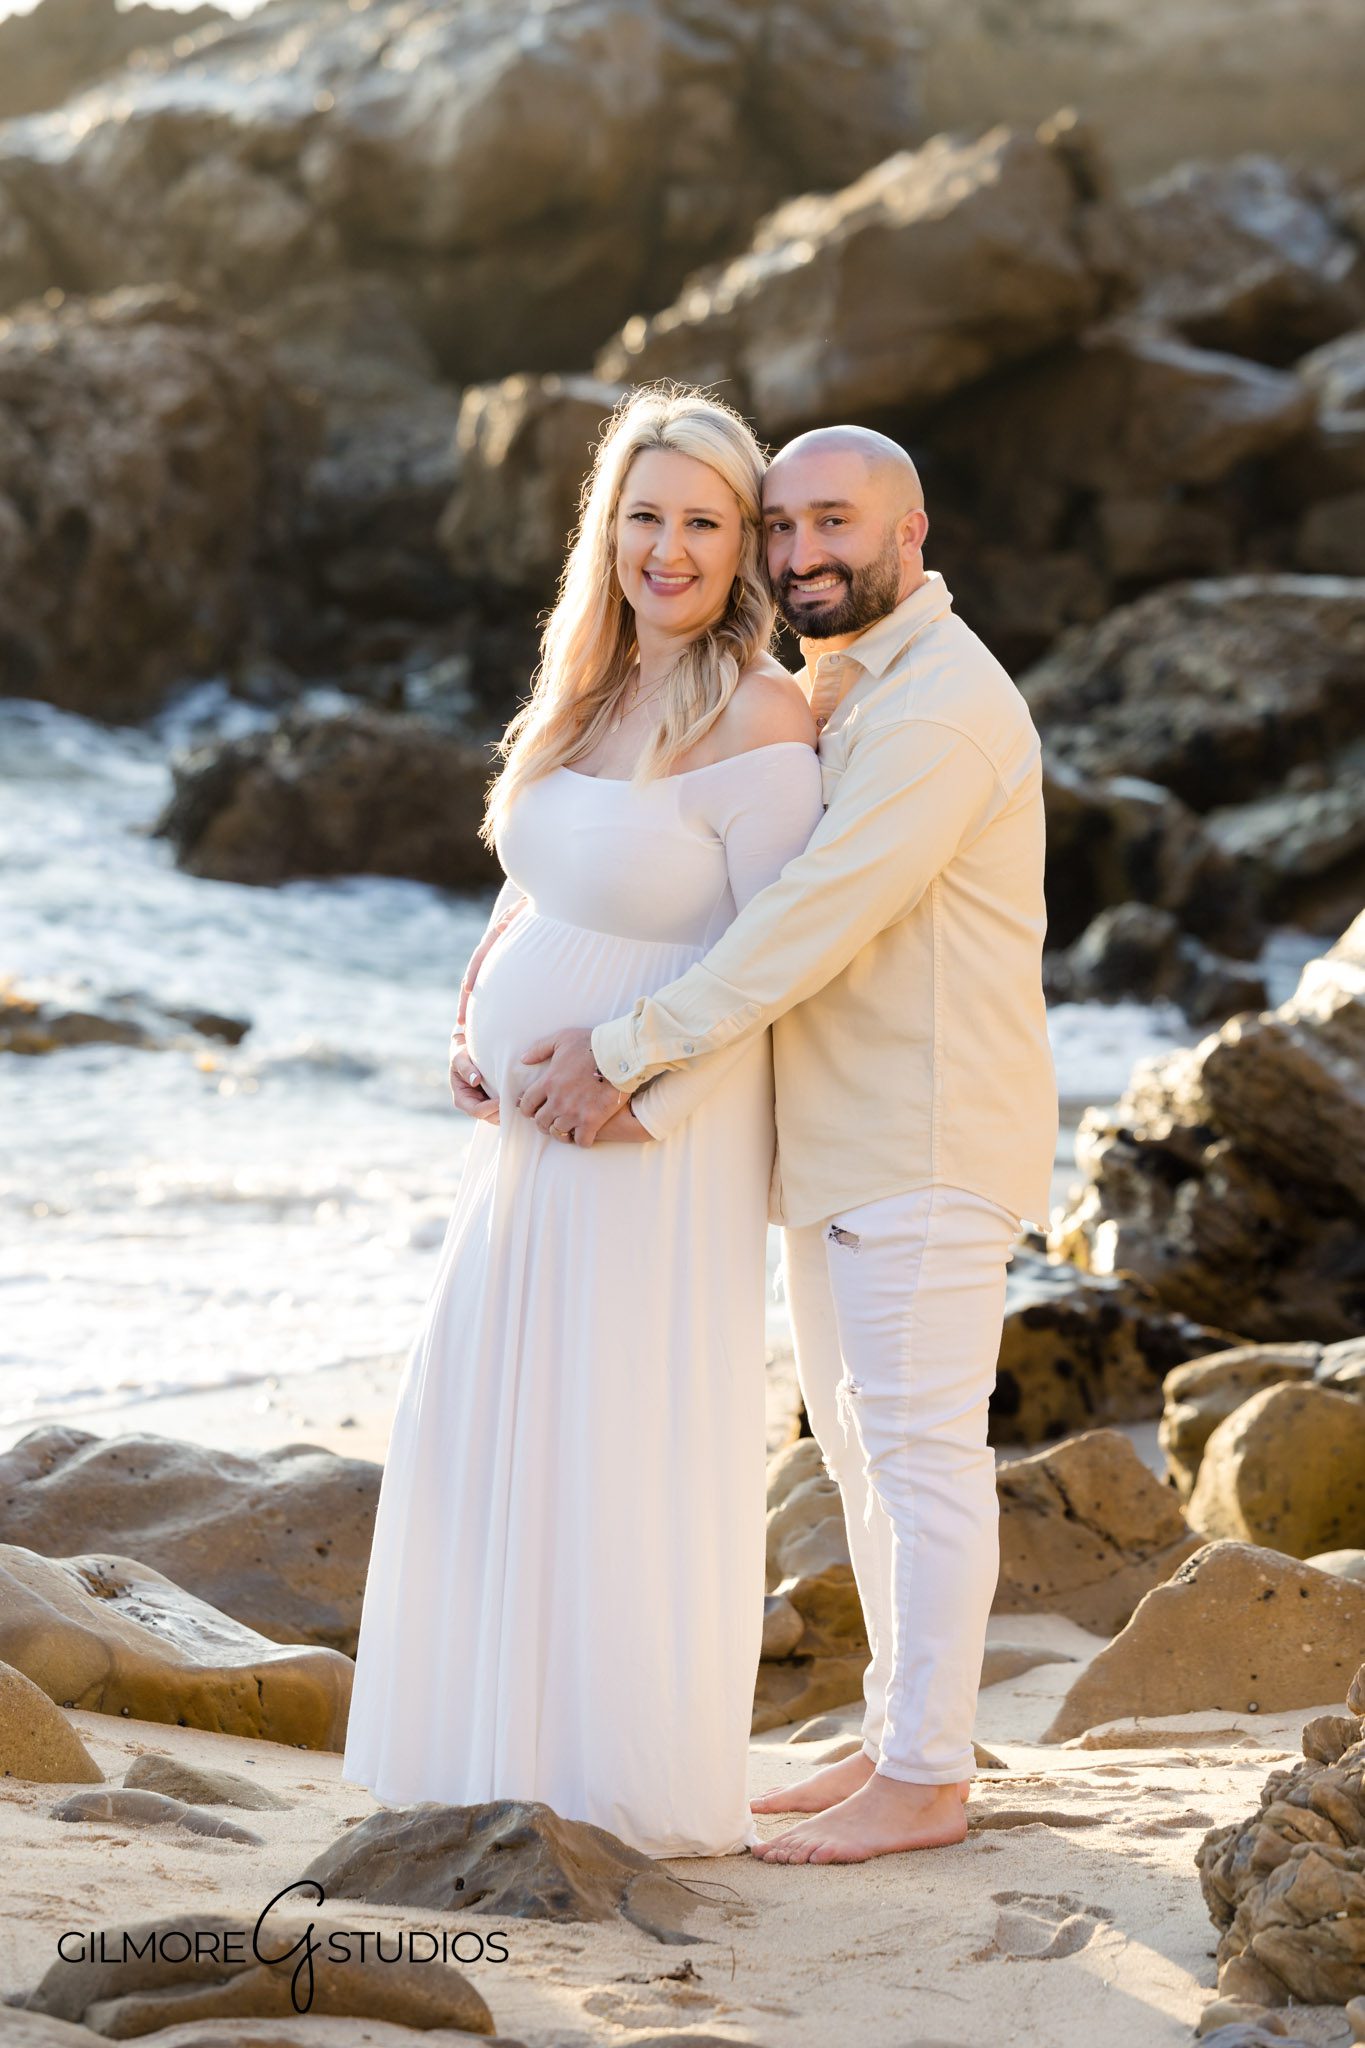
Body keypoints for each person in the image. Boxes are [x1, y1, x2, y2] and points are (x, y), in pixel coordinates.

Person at [512, 425, 1059, 1865]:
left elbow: (812, 917)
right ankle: (894, 1739)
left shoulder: (936, 709)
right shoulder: (847, 685)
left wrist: (630, 1050)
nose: (802, 552)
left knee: (921, 1455)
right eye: (783, 527)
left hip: (923, 1135)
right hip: (843, 1141)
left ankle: (928, 1777)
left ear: (911, 533)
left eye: (836, 524)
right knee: (867, 1457)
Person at [339, 386, 824, 1858]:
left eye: (699, 523)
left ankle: (610, 1791)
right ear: (604, 528)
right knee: (483, 1428)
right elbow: (534, 881)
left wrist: (629, 1078)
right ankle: (488, 1759)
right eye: (643, 518)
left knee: (608, 1443)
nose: (665, 550)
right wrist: (473, 1013)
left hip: (642, 1147)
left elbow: (776, 952)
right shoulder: (587, 688)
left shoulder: (758, 708)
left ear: (742, 545)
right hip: (528, 1140)